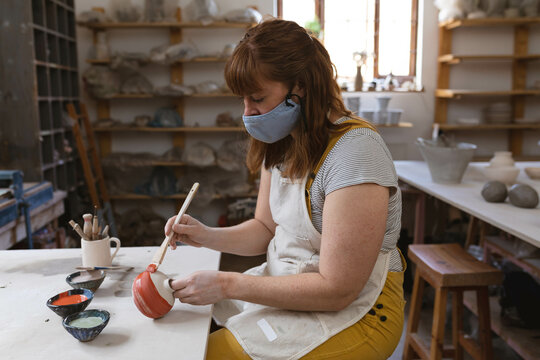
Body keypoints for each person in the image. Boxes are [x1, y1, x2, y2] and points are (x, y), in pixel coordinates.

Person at [165, 19, 405, 360]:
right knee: (187, 338)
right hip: (291, 286)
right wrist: (203, 235)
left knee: (208, 354)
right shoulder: (283, 141)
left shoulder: (356, 153)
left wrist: (227, 283)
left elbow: (338, 290)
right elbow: (265, 230)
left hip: (358, 311)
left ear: (301, 87)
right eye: (243, 100)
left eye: (258, 98)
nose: (247, 113)